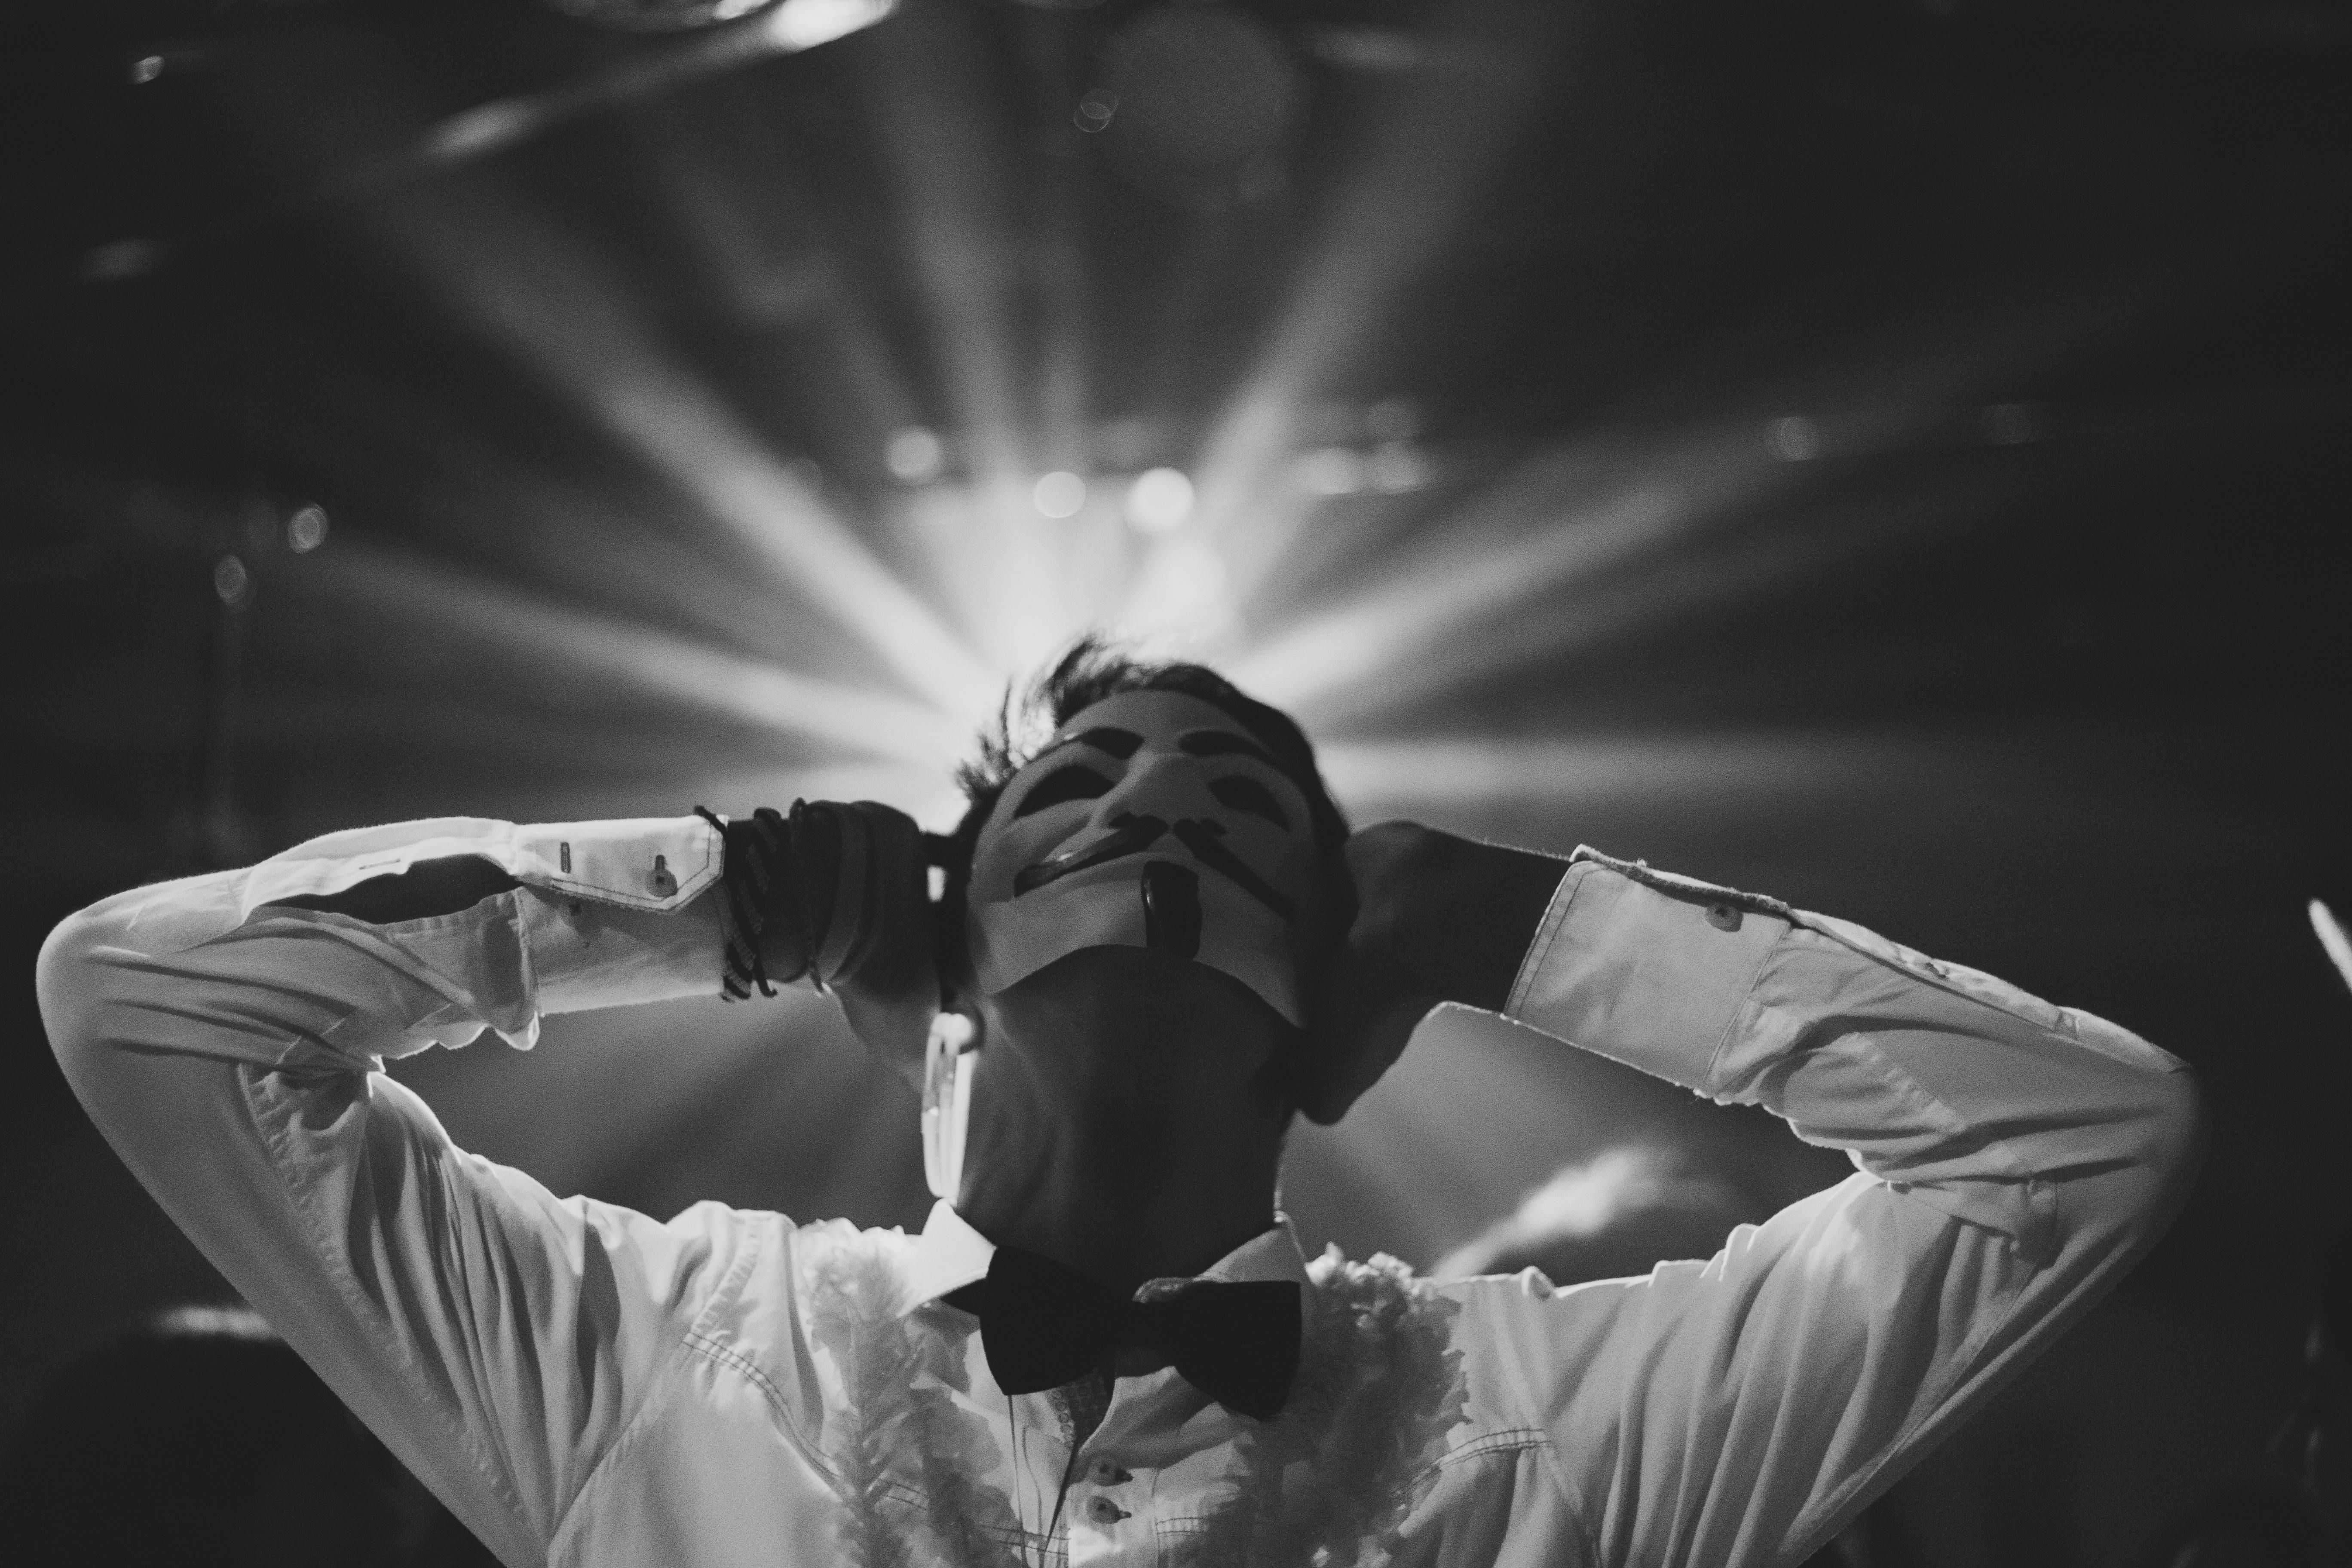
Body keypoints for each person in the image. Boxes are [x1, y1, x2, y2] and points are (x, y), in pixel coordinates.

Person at [37, 637, 2202, 1567]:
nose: (1161, 800)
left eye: (1244, 797)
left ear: (1349, 1005)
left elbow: (2082, 1145)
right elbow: (145, 1005)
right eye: (1080, 784)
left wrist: (1552, 934)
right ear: (940, 950)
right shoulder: (647, 1350)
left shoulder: (1555, 1426)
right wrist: (700, 905)